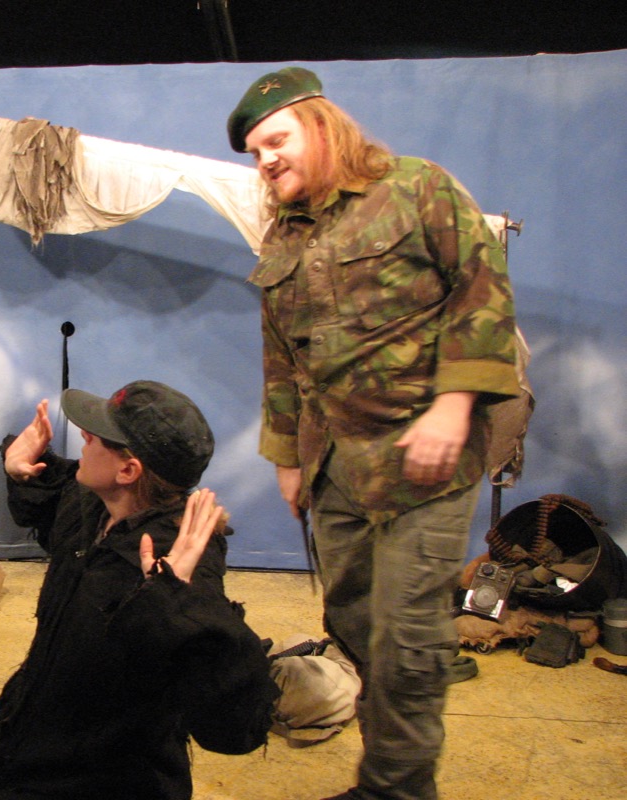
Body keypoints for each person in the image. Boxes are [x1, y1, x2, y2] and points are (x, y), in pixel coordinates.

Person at [226, 68, 521, 800]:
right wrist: (288, 459)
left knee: (408, 634)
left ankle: (397, 787)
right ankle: (389, 761)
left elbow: (481, 292)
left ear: (320, 124)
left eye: (275, 140)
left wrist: (454, 406)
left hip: (424, 456)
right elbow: (280, 357)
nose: (265, 159)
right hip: (334, 465)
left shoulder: (417, 188)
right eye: (256, 152)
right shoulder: (284, 235)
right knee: (354, 619)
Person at [0, 380, 278, 800]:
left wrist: (178, 607)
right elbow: (57, 507)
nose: (84, 435)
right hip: (30, 732)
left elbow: (233, 729)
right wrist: (20, 468)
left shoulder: (177, 564)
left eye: (97, 437)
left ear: (128, 471)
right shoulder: (96, 506)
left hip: (107, 776)